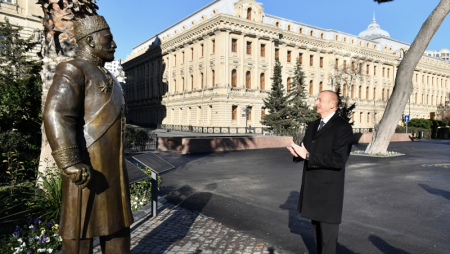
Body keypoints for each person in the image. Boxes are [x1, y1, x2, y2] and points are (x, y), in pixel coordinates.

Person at [43, 15, 133, 253]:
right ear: (91, 41)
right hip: (86, 171)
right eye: (108, 39)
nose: (114, 45)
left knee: (118, 232)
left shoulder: (109, 76)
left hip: (114, 174)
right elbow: (57, 114)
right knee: (79, 237)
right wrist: (70, 162)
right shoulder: (72, 69)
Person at [287, 90, 353, 254]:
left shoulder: (343, 127)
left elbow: (338, 160)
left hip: (329, 192)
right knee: (317, 236)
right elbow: (305, 150)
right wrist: (297, 155)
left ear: (332, 104)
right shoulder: (312, 125)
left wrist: (308, 156)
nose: (316, 103)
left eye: (319, 100)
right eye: (316, 99)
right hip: (312, 189)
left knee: (328, 242)